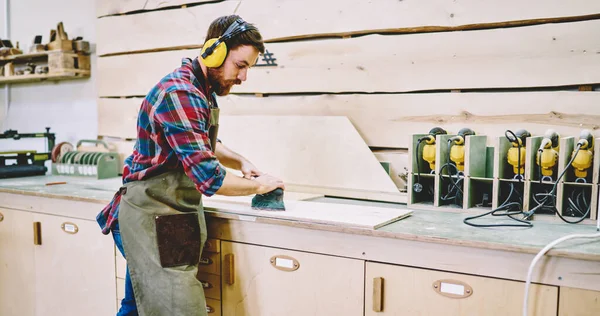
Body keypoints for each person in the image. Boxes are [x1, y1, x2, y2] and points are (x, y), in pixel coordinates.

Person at [96, 15, 285, 316]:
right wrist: (261, 185)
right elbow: (210, 180)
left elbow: (198, 142)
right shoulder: (181, 93)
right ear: (215, 53)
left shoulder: (201, 91)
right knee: (181, 310)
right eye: (241, 65)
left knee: (136, 306)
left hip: (168, 218)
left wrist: (241, 161)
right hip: (149, 216)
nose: (244, 77)